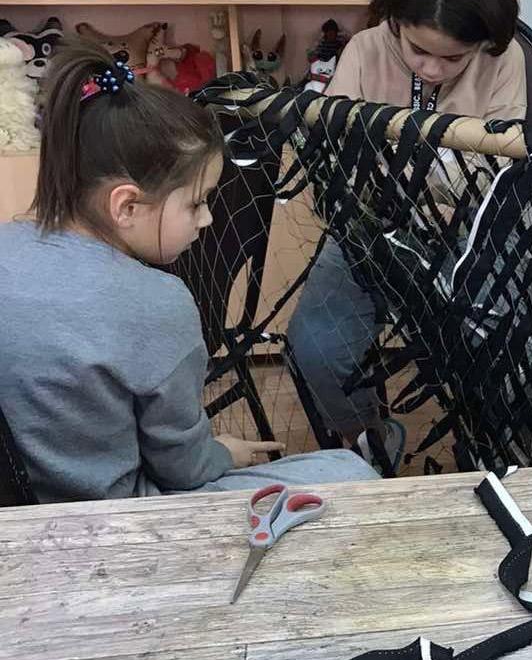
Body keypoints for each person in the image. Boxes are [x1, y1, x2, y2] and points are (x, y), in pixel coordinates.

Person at [0, 41, 378, 503]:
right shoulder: (155, 302)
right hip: (110, 518)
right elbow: (182, 468)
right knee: (349, 471)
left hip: (20, 505)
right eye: (196, 202)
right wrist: (221, 453)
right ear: (126, 205)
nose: (207, 219)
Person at [286, 0, 527, 471]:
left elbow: (500, 167)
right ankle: (371, 435)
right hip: (370, 225)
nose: (435, 69)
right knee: (316, 348)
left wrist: (412, 166)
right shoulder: (366, 50)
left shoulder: (501, 57)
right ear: (395, 20)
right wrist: (437, 166)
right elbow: (342, 161)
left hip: (472, 227)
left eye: (454, 57)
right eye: (420, 52)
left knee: (504, 342)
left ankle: (488, 445)